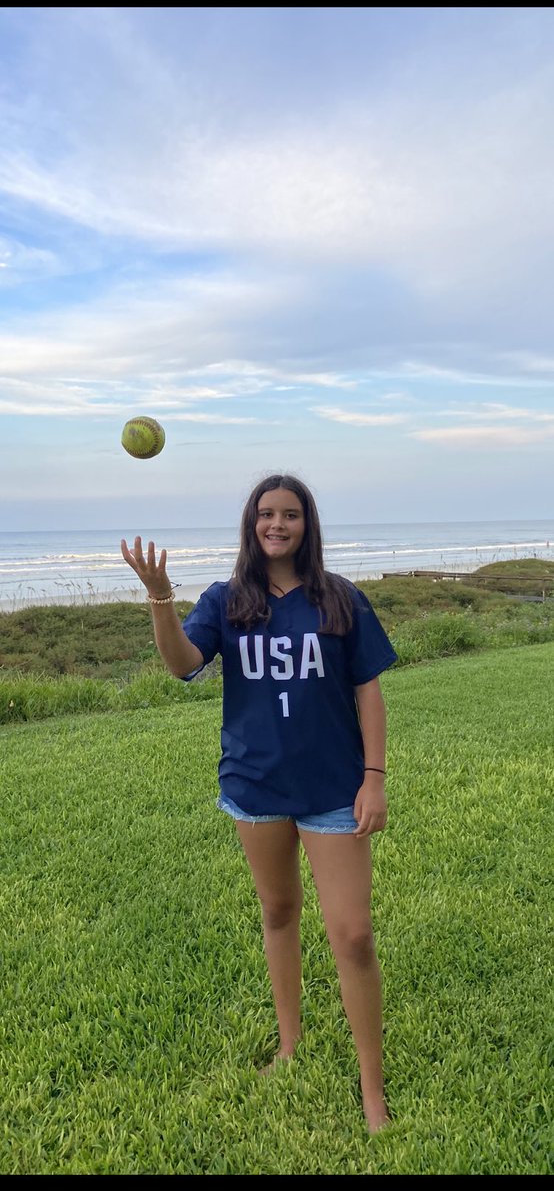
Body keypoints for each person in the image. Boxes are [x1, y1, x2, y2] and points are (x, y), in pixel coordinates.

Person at [121, 473, 397, 1134]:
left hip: (332, 788)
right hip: (256, 786)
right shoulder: (227, 600)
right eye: (266, 514)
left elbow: (368, 691)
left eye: (291, 514)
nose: (278, 524)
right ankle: (291, 1046)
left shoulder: (340, 599)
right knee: (278, 911)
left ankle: (372, 1090)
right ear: (251, 524)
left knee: (353, 937)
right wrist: (162, 598)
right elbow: (183, 663)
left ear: (308, 524)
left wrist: (374, 776)